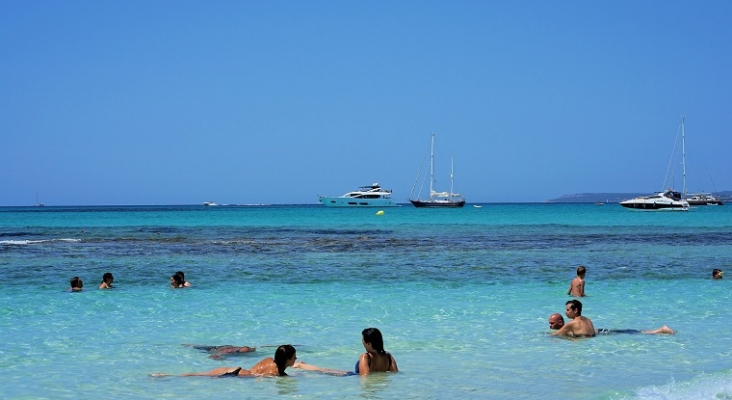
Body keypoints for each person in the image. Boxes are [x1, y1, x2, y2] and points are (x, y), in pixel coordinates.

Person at [294, 327, 398, 376]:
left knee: (324, 370)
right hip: (357, 377)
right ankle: (303, 365)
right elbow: (395, 374)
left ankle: (301, 365)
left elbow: (364, 378)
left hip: (349, 376)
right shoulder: (388, 356)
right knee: (325, 370)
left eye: (363, 340)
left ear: (369, 343)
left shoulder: (365, 357)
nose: (362, 342)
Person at [153, 345, 297, 377]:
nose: (296, 359)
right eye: (294, 357)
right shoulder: (277, 373)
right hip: (235, 375)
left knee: (198, 374)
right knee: (200, 376)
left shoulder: (269, 360)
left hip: (234, 369)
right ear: (288, 359)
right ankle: (165, 376)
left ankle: (164, 376)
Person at [548, 313, 675, 335]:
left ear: (560, 322)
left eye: (552, 323)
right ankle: (658, 330)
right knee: (632, 332)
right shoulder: (570, 325)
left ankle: (660, 330)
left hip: (604, 333)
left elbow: (556, 335)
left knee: (633, 333)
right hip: (602, 332)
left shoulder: (567, 327)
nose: (550, 326)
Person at [184, 344, 257, 359]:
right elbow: (212, 356)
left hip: (220, 347)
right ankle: (188, 345)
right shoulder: (228, 351)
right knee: (198, 347)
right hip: (213, 349)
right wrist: (222, 359)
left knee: (200, 346)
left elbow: (253, 348)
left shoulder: (240, 348)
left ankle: (190, 345)